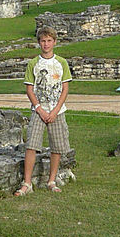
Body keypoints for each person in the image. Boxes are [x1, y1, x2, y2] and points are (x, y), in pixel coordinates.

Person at [15, 26, 72, 196]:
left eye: (49, 41)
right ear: (39, 42)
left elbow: (65, 89)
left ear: (54, 42)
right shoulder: (33, 64)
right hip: (38, 110)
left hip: (57, 111)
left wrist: (55, 111)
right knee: (31, 145)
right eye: (43, 41)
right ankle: (27, 183)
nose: (46, 44)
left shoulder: (61, 63)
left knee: (56, 147)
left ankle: (51, 180)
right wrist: (39, 109)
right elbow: (30, 89)